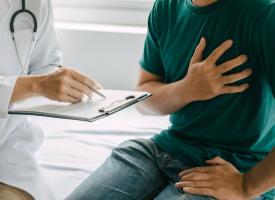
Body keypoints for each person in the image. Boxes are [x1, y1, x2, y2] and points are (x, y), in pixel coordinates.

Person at [66, 0, 275, 199]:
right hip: (163, 151)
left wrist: (245, 186)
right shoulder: (166, 6)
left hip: (233, 167)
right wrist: (187, 89)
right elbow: (144, 101)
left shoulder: (263, 13)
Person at [0, 0, 100, 199]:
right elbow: (37, 82)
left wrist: (61, 80)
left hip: (8, 149)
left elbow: (44, 62)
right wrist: (37, 85)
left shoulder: (34, 2)